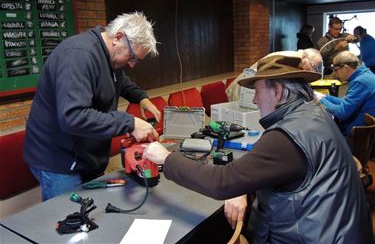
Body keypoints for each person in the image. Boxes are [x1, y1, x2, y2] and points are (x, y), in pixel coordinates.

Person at [144, 52, 371, 243]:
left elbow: (221, 182)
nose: (255, 101)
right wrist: (244, 184)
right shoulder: (312, 114)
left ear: (278, 91)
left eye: (258, 92)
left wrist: (166, 158)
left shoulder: (287, 136)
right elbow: (263, 169)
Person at [24, 12, 161, 201]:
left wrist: (140, 98)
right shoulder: (78, 56)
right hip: (60, 159)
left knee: (93, 214)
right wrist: (129, 123)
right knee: (69, 219)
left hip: (85, 155)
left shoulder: (109, 56)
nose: (132, 64)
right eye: (132, 57)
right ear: (119, 37)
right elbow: (74, 116)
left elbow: (118, 80)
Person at [315, 51, 375, 137]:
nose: (334, 74)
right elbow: (346, 102)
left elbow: (342, 113)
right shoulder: (365, 75)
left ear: (346, 68)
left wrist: (320, 100)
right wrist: (325, 97)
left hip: (359, 136)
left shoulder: (360, 82)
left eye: (336, 70)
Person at [225, 48, 323, 101]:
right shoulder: (289, 60)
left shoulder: (296, 60)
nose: (313, 70)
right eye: (313, 66)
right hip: (245, 88)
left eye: (316, 68)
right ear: (305, 57)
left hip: (256, 84)